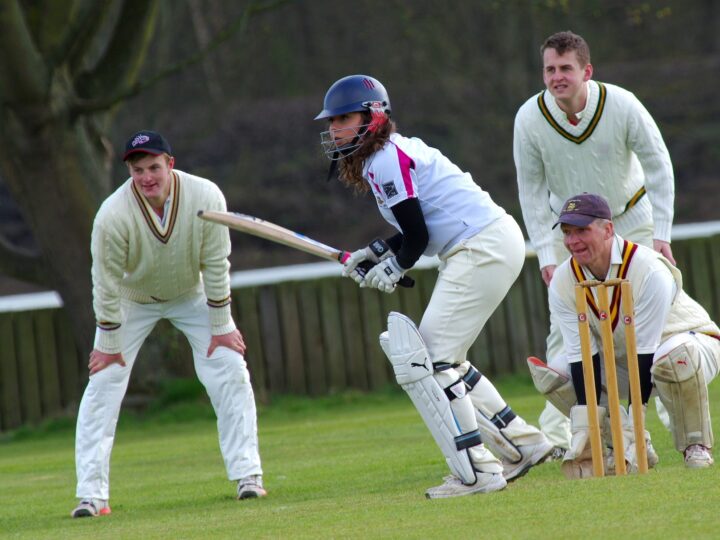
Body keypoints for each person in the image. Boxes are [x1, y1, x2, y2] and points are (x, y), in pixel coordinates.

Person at [315, 74, 552, 498]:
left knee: (432, 361)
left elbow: (417, 238)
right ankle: (522, 445)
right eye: (331, 121)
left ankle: (479, 470)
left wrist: (391, 268)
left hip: (481, 246)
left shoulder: (387, 157)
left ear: (373, 116)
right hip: (486, 242)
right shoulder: (385, 156)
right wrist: (376, 254)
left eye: (343, 119)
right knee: (448, 360)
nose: (334, 129)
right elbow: (411, 232)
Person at [71, 131, 264, 518]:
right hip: (132, 300)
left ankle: (248, 476)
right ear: (129, 171)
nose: (147, 177)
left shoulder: (206, 195)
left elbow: (216, 261)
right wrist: (108, 343)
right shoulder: (112, 216)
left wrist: (222, 323)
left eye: (154, 167)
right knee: (103, 385)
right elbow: (105, 282)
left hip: (191, 294)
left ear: (170, 164)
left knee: (229, 368)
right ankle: (92, 496)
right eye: (138, 169)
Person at [513, 30, 676, 456]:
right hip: (568, 229)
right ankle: (568, 437)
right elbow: (530, 191)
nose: (557, 77)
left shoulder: (621, 104)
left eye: (566, 68)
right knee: (565, 328)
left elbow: (659, 165)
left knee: (661, 322)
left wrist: (661, 234)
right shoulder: (529, 118)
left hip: (630, 219)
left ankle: (678, 428)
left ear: (586, 71)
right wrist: (547, 254)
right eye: (550, 69)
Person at [549, 193, 717, 476]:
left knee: (673, 356)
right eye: (567, 233)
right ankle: (615, 445)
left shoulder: (648, 268)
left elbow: (646, 349)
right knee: (556, 372)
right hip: (625, 358)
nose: (572, 241)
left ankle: (695, 444)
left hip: (690, 343)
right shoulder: (564, 281)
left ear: (608, 230)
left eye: (581, 231)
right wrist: (585, 421)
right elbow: (582, 357)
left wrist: (634, 420)